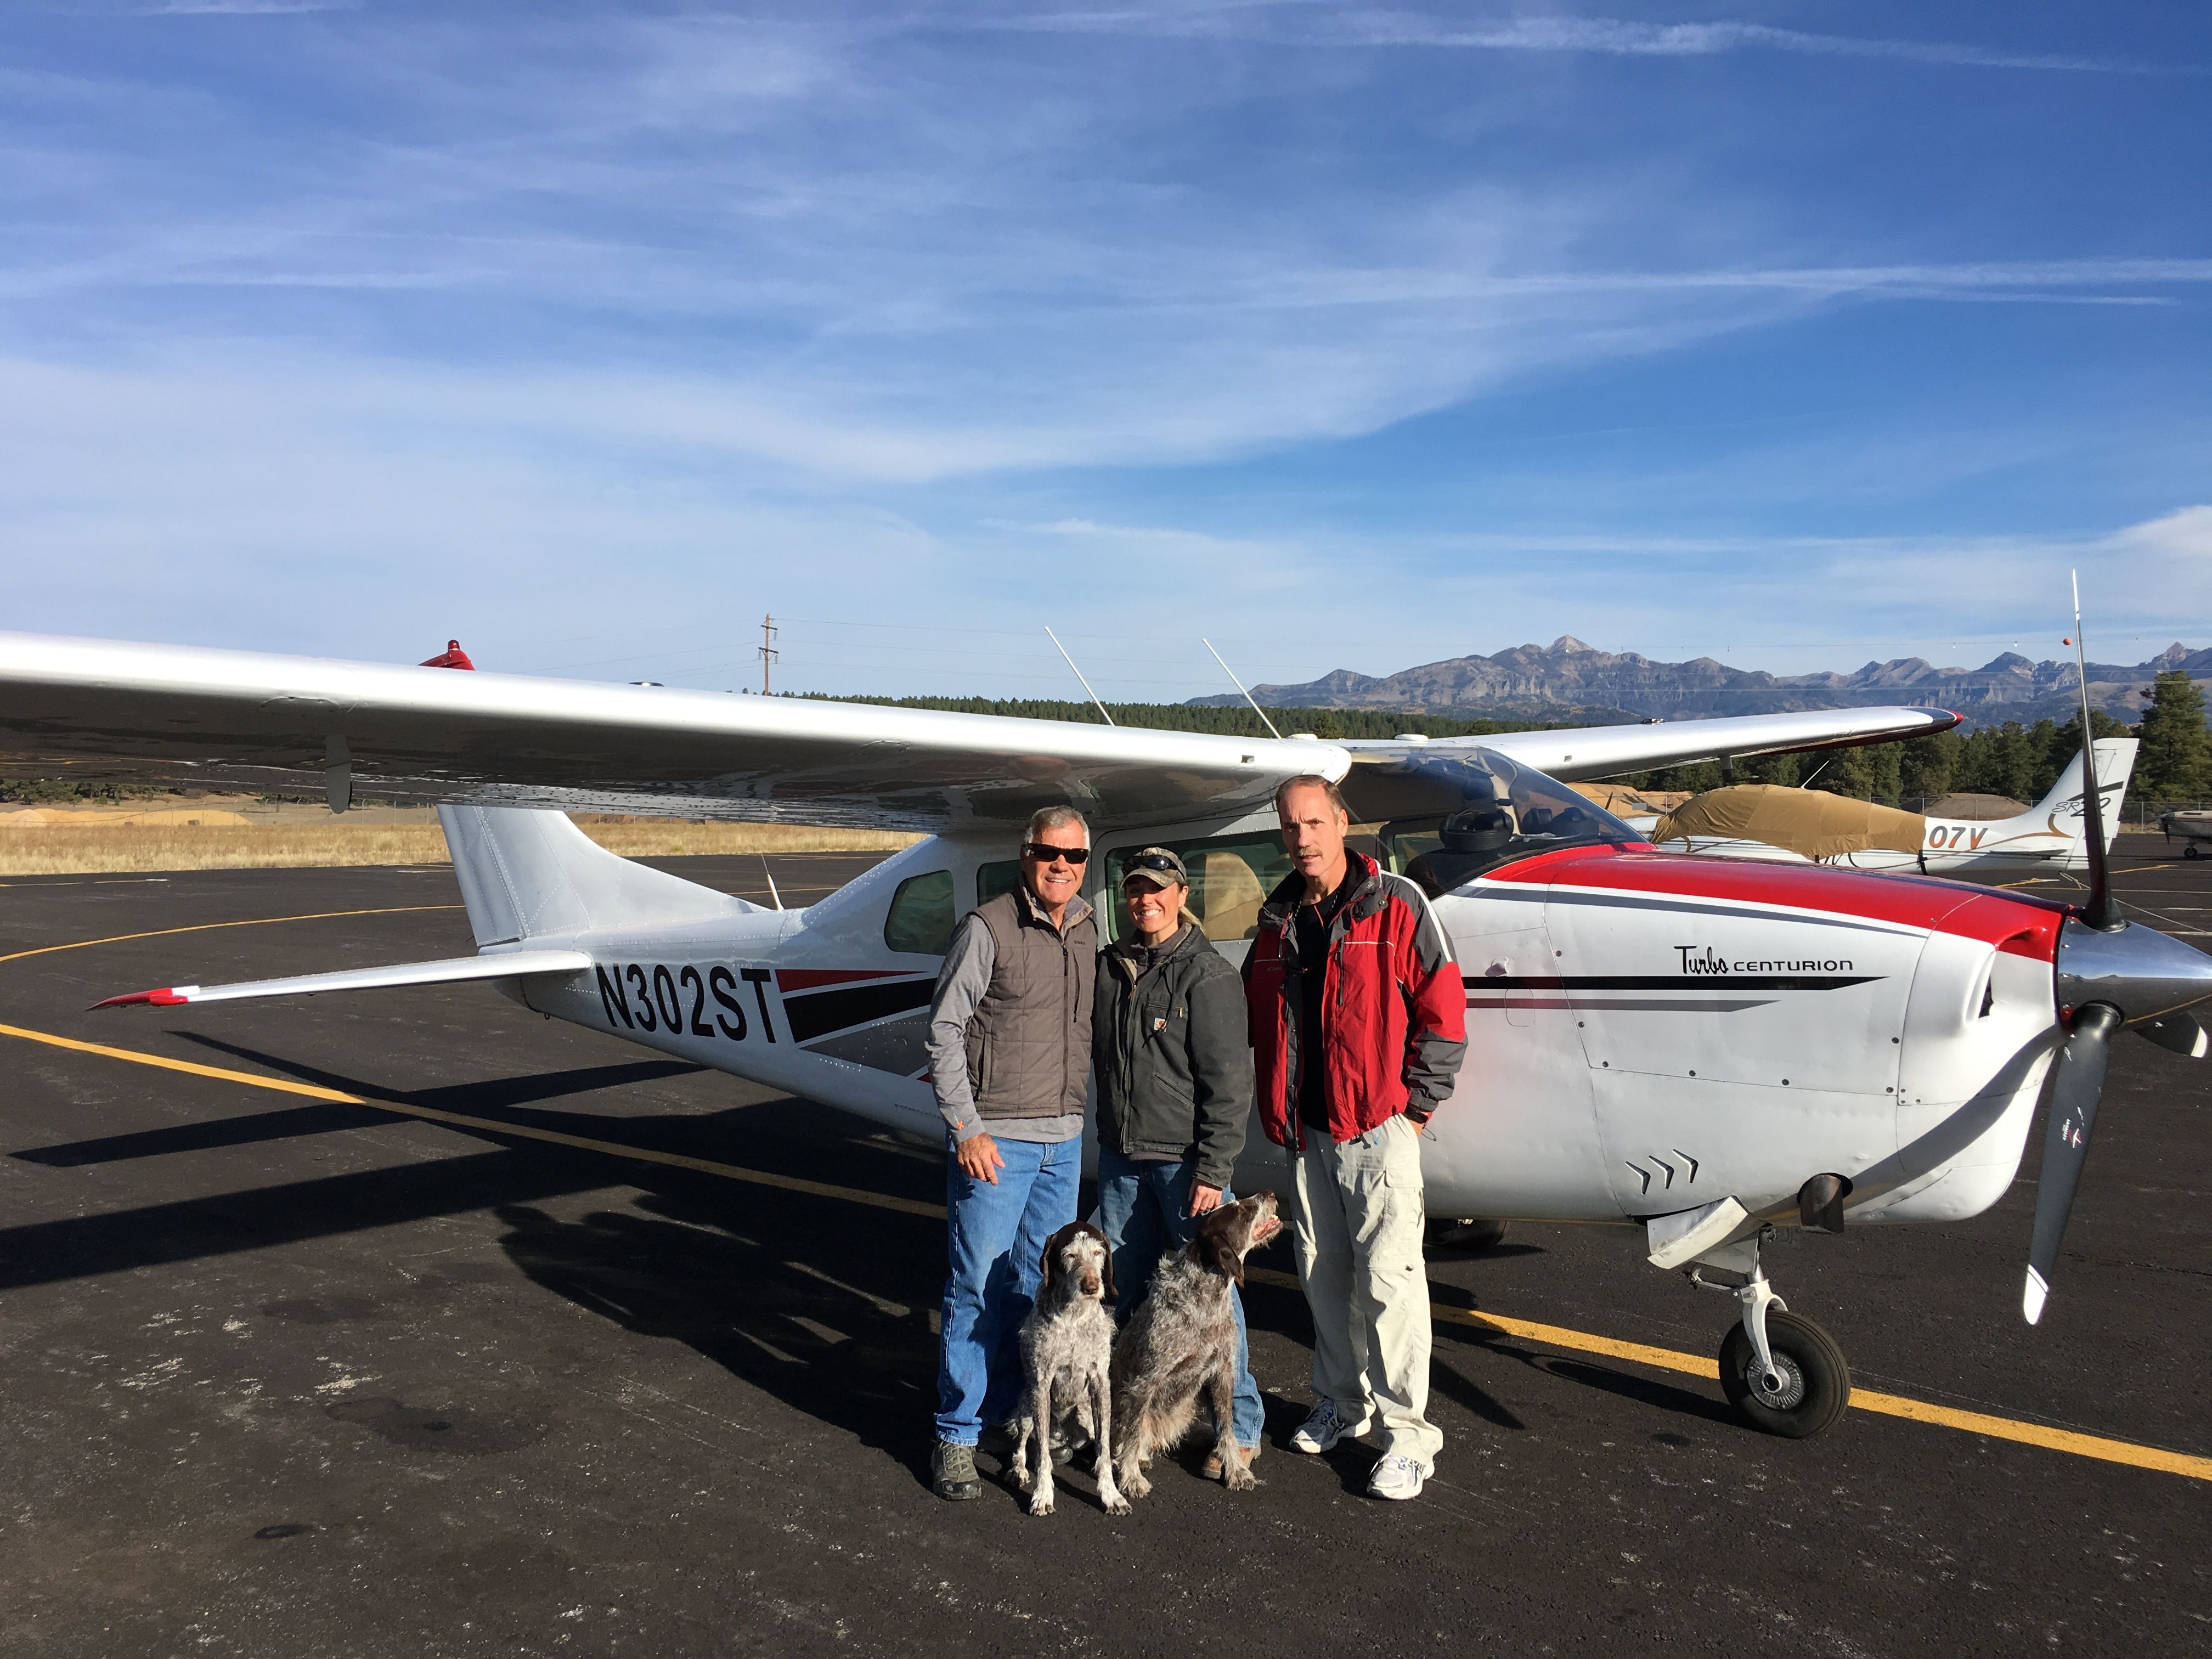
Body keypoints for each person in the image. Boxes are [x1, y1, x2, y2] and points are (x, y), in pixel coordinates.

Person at [1243, 774, 1467, 1501]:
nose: (1302, 839)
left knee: (1390, 1282)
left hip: (1377, 1129)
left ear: (1341, 823)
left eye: (1313, 823)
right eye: (1290, 828)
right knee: (1321, 1275)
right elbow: (1256, 1018)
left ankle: (1409, 1435)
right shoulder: (1276, 921)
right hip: (1305, 1135)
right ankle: (1342, 1399)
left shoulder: (1395, 905)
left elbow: (1443, 1007)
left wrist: (1416, 1109)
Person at [924, 805, 1097, 1502]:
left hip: (1065, 1140)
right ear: (1026, 855)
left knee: (1035, 1288)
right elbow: (943, 1028)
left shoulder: (1086, 930)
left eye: (1075, 856)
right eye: (1048, 852)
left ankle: (1010, 1417)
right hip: (998, 1139)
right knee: (976, 1287)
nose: (1062, 865)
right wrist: (966, 1127)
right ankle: (956, 1434)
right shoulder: (988, 927)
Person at [1092, 846, 1263, 1477]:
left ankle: (1238, 1429)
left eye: (1158, 889)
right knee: (1122, 1294)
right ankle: (1125, 1422)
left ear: (1182, 895)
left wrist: (1214, 1170)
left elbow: (1228, 1085)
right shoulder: (1110, 967)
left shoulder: (1209, 975)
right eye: (1136, 890)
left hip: (1185, 1165)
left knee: (1217, 1303)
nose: (1146, 901)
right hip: (1121, 1160)